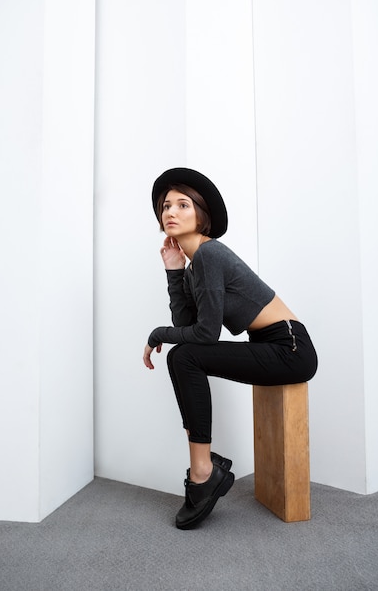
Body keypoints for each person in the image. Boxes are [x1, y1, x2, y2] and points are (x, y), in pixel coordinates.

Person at [143, 167, 318, 530]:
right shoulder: (195, 266)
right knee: (182, 355)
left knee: (183, 354)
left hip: (290, 347)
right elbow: (186, 325)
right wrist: (175, 272)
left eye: (182, 205)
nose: (170, 212)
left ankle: (203, 471)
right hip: (271, 346)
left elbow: (203, 335)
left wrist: (157, 334)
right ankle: (204, 469)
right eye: (165, 206)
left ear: (201, 216)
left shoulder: (210, 255)